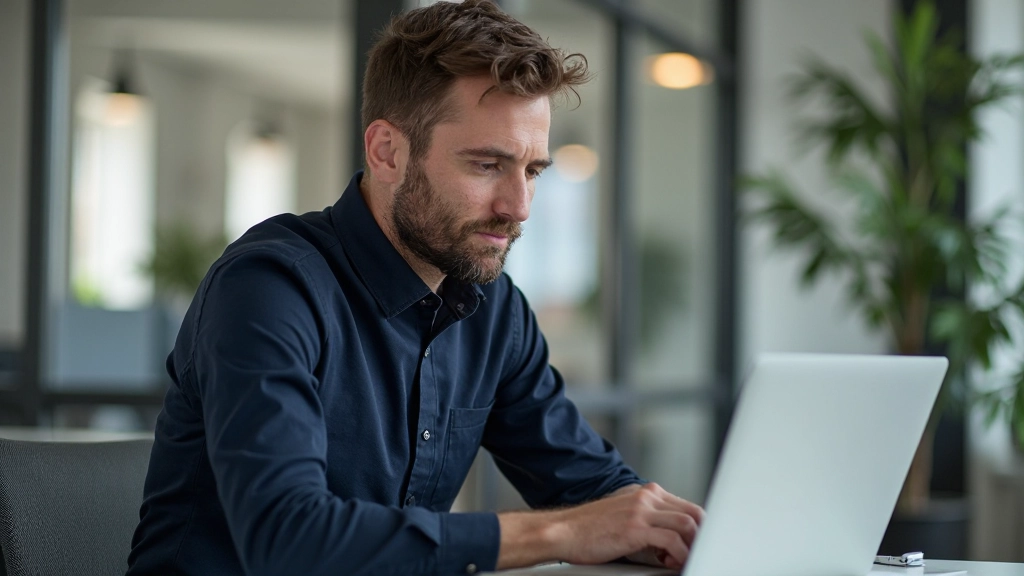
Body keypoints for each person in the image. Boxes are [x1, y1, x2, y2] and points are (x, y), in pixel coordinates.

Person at [126, 1, 703, 575]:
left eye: (532, 171)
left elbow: (596, 491)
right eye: (486, 165)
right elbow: (288, 538)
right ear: (388, 152)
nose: (518, 207)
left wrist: (682, 533)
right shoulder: (269, 289)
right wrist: (557, 532)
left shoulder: (493, 309)